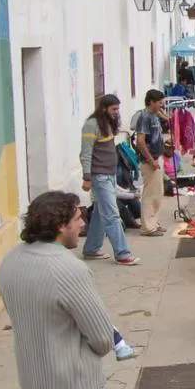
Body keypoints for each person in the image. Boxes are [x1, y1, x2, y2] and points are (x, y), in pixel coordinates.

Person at [0, 192, 118, 389]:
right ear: (61, 226)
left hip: (34, 381)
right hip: (72, 388)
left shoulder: (11, 258)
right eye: (77, 219)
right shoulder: (69, 268)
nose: (82, 224)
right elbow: (102, 338)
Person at [80, 94, 138, 265]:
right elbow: (86, 153)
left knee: (99, 213)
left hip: (109, 175)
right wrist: (87, 177)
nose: (116, 112)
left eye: (118, 109)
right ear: (104, 108)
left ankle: (91, 250)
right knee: (112, 215)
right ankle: (122, 254)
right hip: (99, 176)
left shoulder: (107, 123)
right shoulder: (91, 125)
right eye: (113, 109)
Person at [135, 89, 167, 237]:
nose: (162, 104)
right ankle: (148, 227)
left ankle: (154, 222)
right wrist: (150, 159)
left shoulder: (154, 115)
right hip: (150, 160)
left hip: (157, 157)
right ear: (151, 102)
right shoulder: (144, 117)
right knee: (150, 193)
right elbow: (140, 141)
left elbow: (168, 119)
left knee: (157, 193)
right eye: (159, 102)